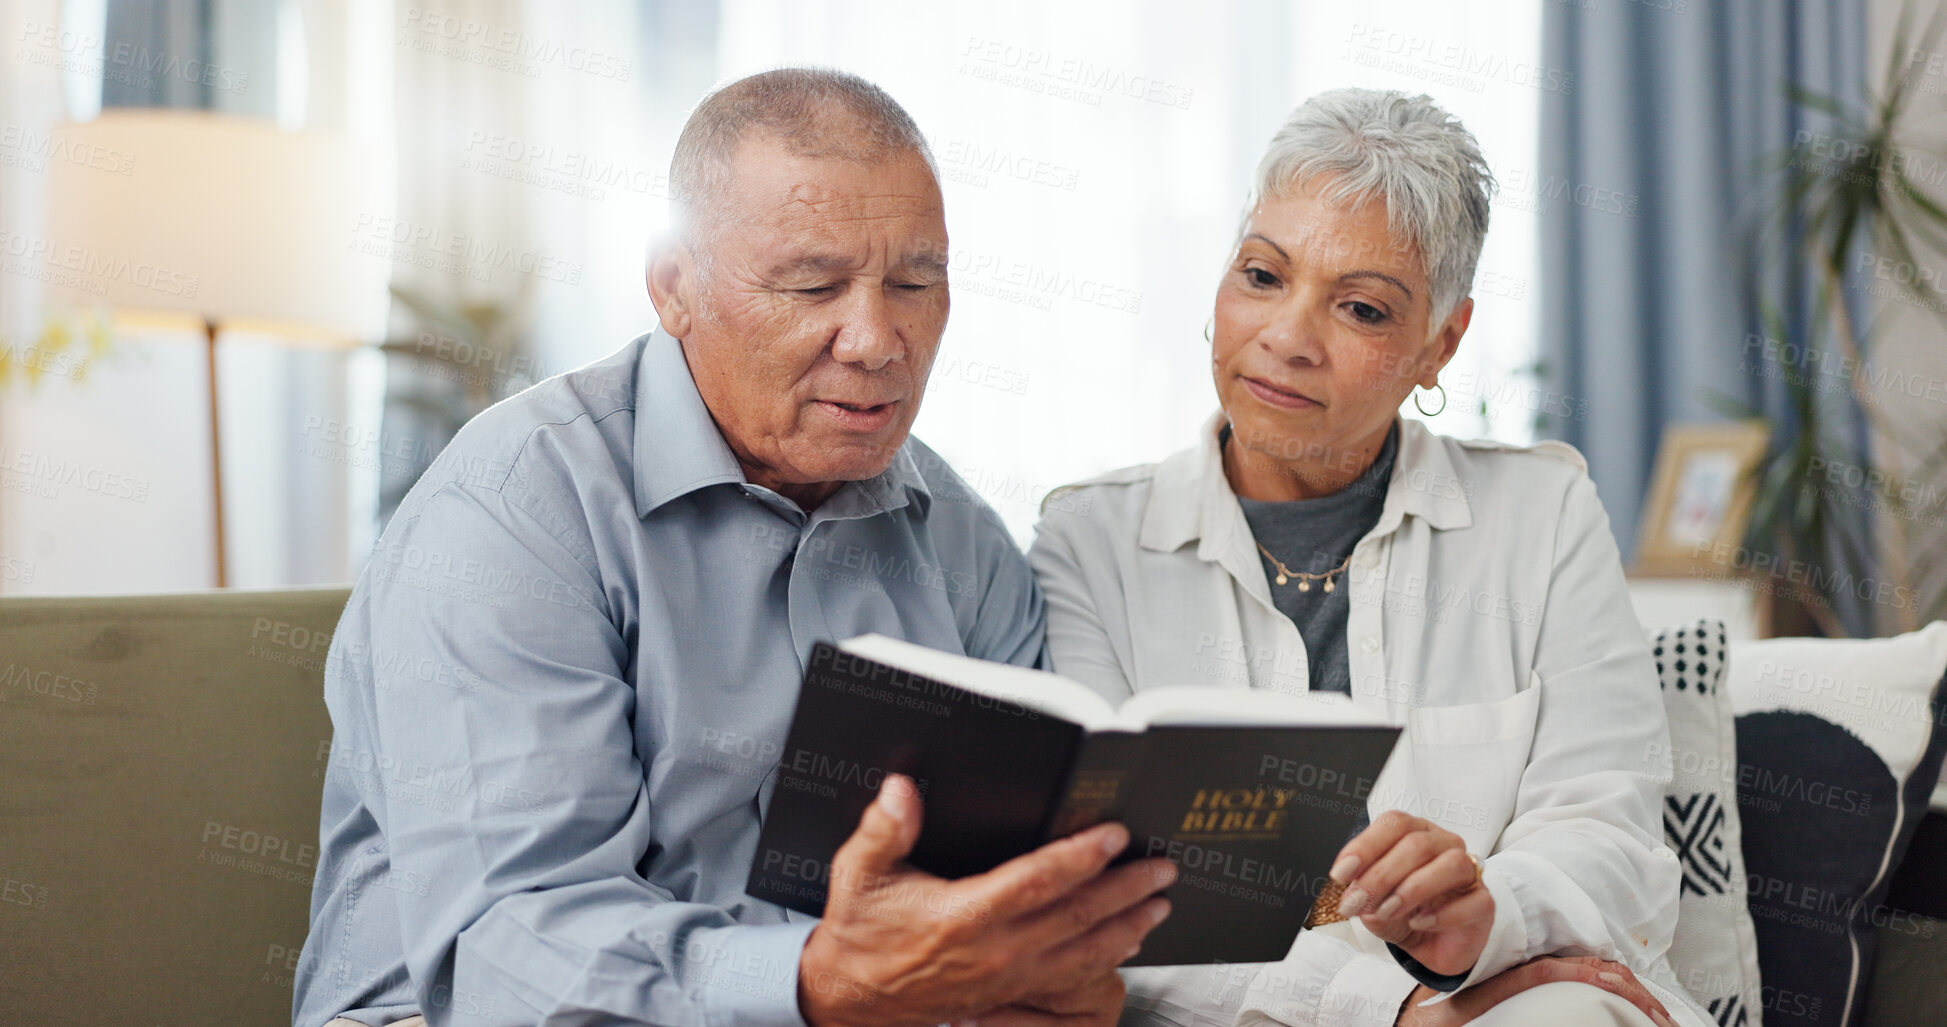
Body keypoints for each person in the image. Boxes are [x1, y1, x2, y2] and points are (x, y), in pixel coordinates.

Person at [295, 67, 1175, 1027]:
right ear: (674, 287)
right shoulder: (514, 511)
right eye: (813, 284)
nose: (878, 339)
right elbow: (511, 954)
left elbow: (1006, 891)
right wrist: (821, 982)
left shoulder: (960, 539)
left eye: (917, 282)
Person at [1027, 88, 1711, 1027]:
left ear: (1441, 341)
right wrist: (1383, 1007)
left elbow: (1609, 834)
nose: (1286, 339)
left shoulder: (1542, 513)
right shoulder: (1088, 544)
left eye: (1358, 307)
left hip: (1508, 996)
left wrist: (1482, 918)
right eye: (1262, 276)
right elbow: (1094, 899)